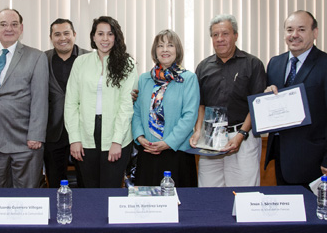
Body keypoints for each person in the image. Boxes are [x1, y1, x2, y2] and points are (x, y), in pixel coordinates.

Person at [0, 8, 48, 188]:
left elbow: (40, 99)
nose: (9, 29)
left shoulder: (36, 56)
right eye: (3, 24)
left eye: (14, 24)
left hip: (24, 141)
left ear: (21, 29)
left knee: (26, 197)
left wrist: (36, 135)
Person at [190, 14, 266, 187]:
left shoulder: (253, 64)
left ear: (236, 36)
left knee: (243, 194)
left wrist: (241, 135)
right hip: (210, 138)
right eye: (215, 35)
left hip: (242, 137)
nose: (220, 39)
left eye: (225, 33)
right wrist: (198, 131)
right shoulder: (203, 67)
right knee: (209, 195)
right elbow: (201, 104)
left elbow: (256, 106)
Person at [64, 16, 137, 188]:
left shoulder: (127, 63)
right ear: (93, 37)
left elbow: (126, 106)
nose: (105, 39)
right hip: (85, 133)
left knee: (110, 188)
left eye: (110, 34)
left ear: (116, 37)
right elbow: (71, 103)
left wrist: (117, 141)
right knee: (89, 188)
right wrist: (74, 139)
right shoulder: (80, 62)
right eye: (100, 33)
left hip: (116, 133)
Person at [265, 10, 327, 186]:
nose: (294, 35)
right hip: (281, 157)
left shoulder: (324, 64)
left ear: (315, 33)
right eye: (289, 29)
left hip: (314, 161)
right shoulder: (275, 63)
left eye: (301, 29)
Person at [132, 29, 199, 187]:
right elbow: (136, 113)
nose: (165, 49)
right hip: (147, 152)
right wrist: (140, 138)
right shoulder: (144, 79)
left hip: (177, 153)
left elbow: (189, 116)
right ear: (155, 51)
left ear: (177, 50)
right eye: (160, 45)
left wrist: (168, 142)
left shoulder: (188, 78)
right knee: (147, 207)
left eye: (170, 45)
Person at [44, 18, 89, 188]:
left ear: (74, 35)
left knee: (86, 182)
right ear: (51, 37)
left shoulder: (89, 57)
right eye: (57, 34)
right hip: (53, 131)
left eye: (66, 33)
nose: (62, 38)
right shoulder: (42, 59)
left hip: (83, 130)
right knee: (56, 183)